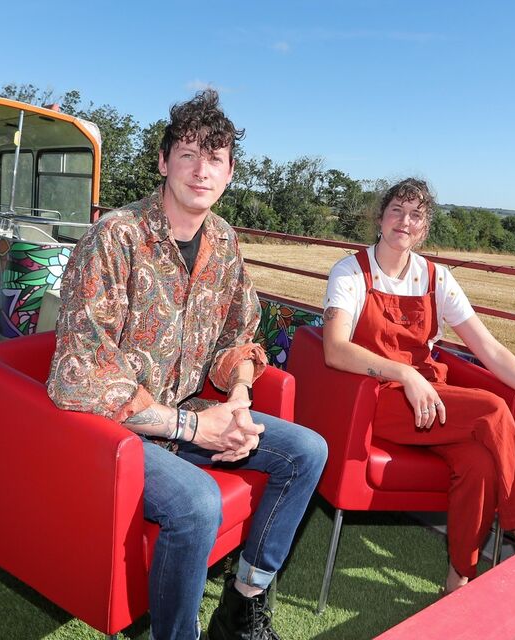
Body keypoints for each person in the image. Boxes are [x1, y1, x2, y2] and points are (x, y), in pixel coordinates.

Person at [47, 89, 327, 640]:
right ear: (163, 162)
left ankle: (243, 604)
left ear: (229, 173)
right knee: (198, 503)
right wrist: (197, 426)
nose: (202, 170)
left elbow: (237, 335)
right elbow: (83, 370)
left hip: (186, 412)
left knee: (307, 450)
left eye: (215, 158)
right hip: (112, 431)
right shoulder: (116, 237)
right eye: (188, 154)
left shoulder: (223, 241)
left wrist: (241, 401)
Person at [321, 178, 515, 594]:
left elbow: (490, 350)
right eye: (397, 211)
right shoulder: (350, 271)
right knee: (492, 409)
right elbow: (333, 349)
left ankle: (459, 576)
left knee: (477, 463)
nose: (405, 221)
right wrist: (402, 374)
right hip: (375, 401)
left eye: (416, 215)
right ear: (380, 218)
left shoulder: (437, 278)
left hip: (432, 403)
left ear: (424, 229)